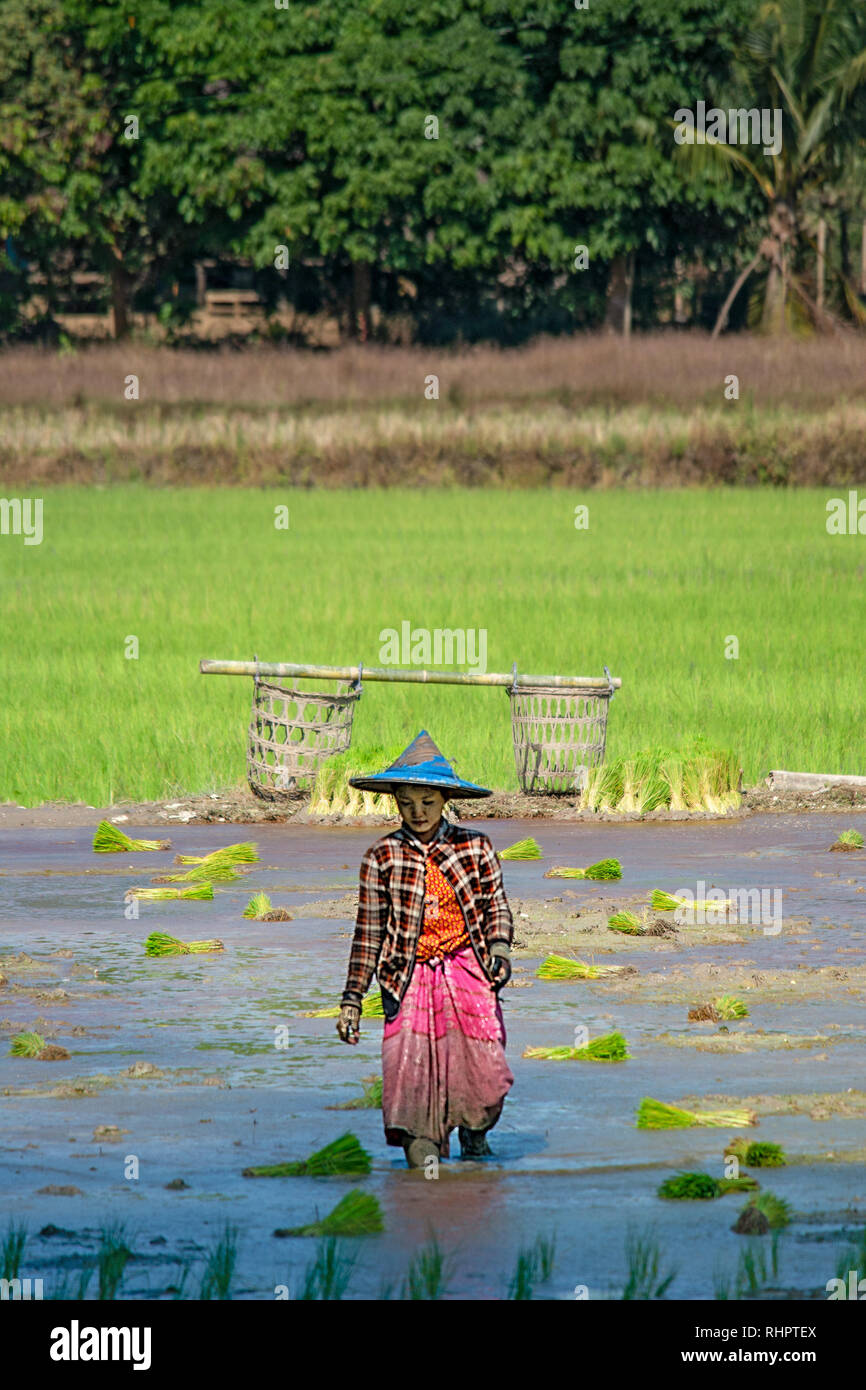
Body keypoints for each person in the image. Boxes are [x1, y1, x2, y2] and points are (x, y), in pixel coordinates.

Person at [337, 731, 515, 1168]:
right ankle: (425, 1163)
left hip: (468, 973)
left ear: (445, 799)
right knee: (410, 1077)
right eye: (407, 803)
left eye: (428, 802)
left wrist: (500, 950)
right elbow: (368, 932)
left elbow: (496, 906)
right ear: (395, 801)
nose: (418, 812)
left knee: (483, 1073)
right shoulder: (382, 856)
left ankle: (475, 1142)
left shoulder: (475, 847)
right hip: (408, 977)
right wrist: (352, 1000)